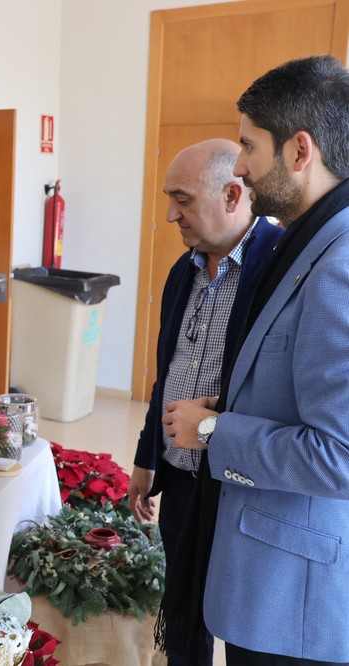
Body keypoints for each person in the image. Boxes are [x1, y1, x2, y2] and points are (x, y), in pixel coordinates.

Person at [161, 55, 349, 665]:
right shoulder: (314, 242)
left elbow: (341, 456)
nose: (238, 166)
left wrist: (214, 430)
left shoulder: (339, 265)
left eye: (248, 145)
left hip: (293, 600)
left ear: (300, 151)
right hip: (269, 579)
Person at [129, 138, 282, 666]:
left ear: (234, 194)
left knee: (242, 623)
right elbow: (166, 376)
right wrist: (148, 458)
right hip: (179, 479)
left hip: (240, 486)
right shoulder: (182, 272)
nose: (170, 214)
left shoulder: (279, 269)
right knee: (183, 612)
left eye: (183, 199)